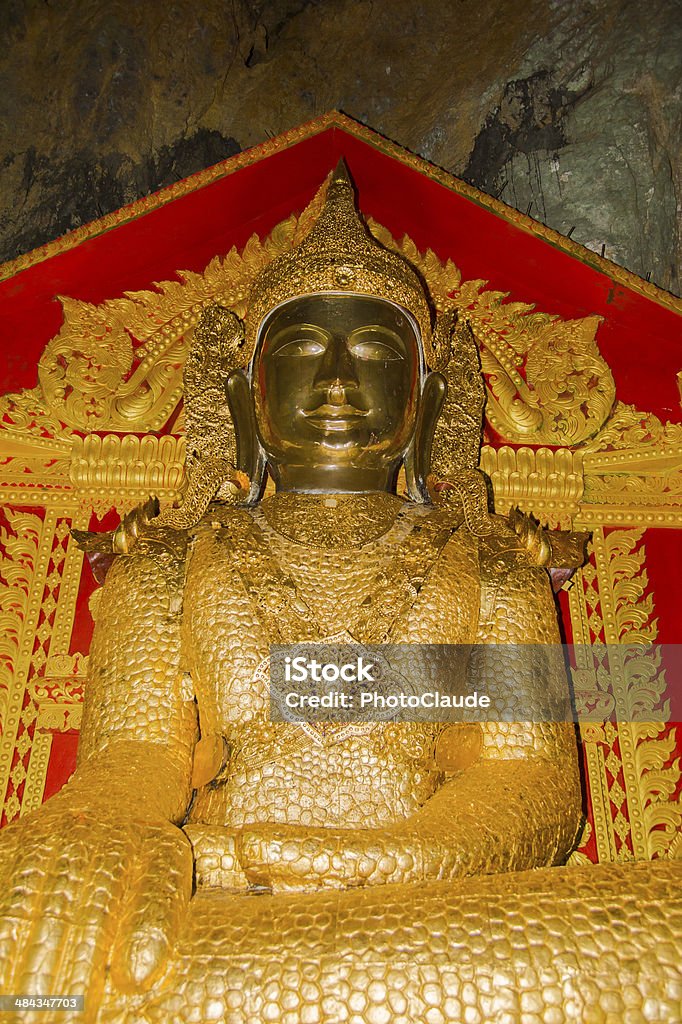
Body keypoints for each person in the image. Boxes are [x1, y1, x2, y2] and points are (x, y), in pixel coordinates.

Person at [0, 164, 678, 1023]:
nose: (335, 384)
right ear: (247, 400)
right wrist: (81, 837)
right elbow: (133, 764)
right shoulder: (173, 560)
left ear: (427, 401)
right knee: (38, 958)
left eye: (373, 354)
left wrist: (383, 863)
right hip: (222, 915)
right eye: (300, 353)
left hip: (440, 920)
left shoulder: (493, 566)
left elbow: (533, 786)